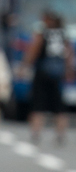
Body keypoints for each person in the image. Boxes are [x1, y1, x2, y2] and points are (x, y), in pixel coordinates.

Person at [24, 10, 73, 145]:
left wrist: (25, 65)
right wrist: (67, 70)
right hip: (57, 75)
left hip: (42, 73)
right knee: (59, 106)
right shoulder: (62, 34)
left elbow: (34, 50)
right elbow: (69, 54)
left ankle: (36, 132)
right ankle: (61, 134)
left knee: (38, 104)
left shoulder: (43, 34)